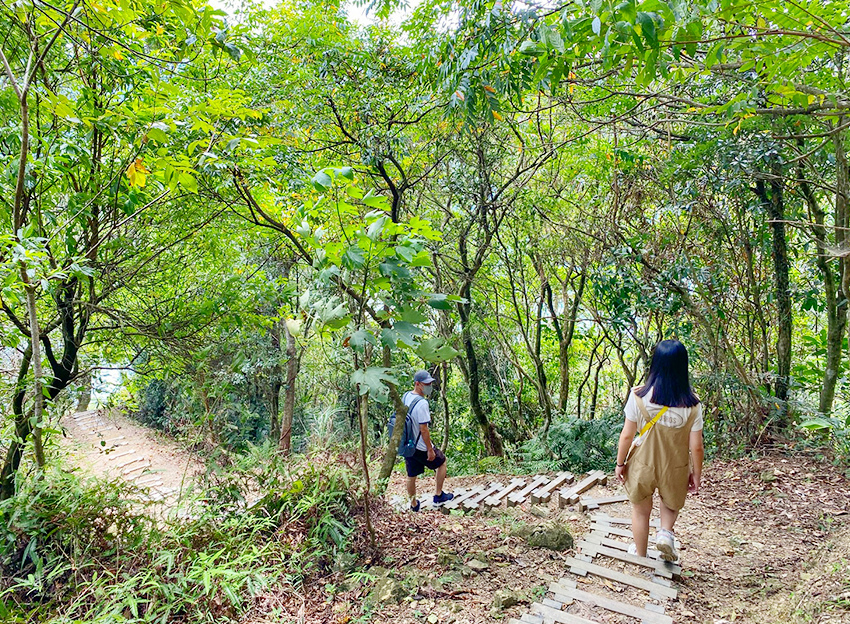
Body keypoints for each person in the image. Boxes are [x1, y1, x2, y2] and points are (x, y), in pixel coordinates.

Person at [614, 339, 704, 562]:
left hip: (643, 463)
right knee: (670, 503)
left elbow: (627, 435)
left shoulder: (639, 396)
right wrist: (696, 474)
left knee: (640, 510)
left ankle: (641, 554)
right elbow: (697, 446)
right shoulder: (692, 404)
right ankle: (665, 532)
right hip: (675, 465)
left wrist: (620, 462)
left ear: (655, 365)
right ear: (683, 366)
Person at [404, 370, 453, 512]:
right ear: (417, 384)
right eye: (426, 384)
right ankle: (438, 496)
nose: (429, 386)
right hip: (420, 446)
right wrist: (430, 450)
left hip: (408, 444)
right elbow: (424, 429)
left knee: (411, 475)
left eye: (430, 383)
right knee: (442, 462)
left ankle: (414, 505)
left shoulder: (406, 396)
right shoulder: (422, 403)